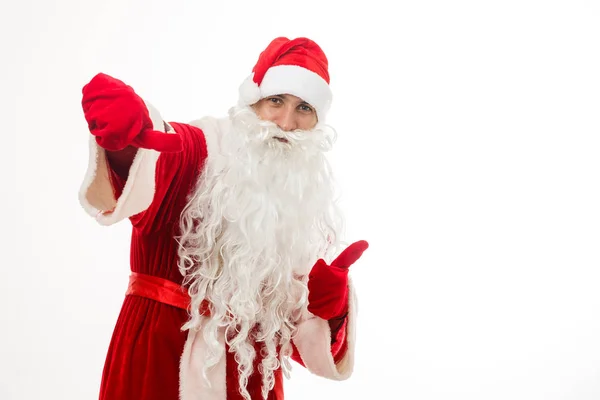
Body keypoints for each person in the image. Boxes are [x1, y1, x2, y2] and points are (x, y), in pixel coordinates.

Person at [79, 36, 369, 400]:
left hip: (249, 380)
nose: (286, 122)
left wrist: (329, 308)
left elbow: (300, 339)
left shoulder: (304, 204)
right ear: (253, 101)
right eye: (276, 101)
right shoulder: (203, 147)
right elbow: (156, 160)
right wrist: (126, 140)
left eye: (304, 109)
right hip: (159, 357)